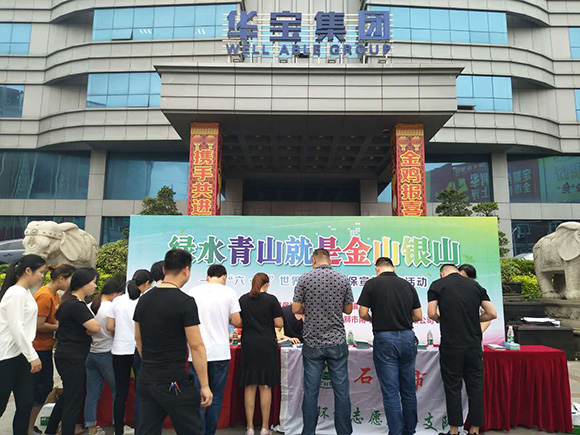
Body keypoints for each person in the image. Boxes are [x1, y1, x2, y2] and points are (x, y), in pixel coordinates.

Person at [134, 248, 213, 434]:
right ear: (186, 270)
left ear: (164, 270)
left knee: (147, 430)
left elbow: (138, 337)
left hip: (147, 377)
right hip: (174, 380)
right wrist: (204, 385)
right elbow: (196, 346)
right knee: (190, 430)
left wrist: (151, 361)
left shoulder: (144, 300)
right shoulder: (185, 301)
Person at [427, 264, 498, 435]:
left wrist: (443, 319)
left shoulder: (437, 285)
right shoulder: (476, 286)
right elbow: (492, 313)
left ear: (442, 274)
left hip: (451, 345)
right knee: (475, 387)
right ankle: (474, 430)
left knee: (453, 388)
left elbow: (431, 313)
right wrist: (473, 319)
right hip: (473, 345)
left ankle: (454, 430)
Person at [357, 257, 422, 435]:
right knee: (408, 391)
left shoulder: (372, 284)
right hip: (408, 337)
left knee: (391, 391)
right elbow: (418, 315)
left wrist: (374, 319)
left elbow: (362, 313)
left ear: (377, 269)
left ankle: (395, 432)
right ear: (393, 268)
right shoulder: (407, 285)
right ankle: (410, 430)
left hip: (385, 338)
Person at [292, 248, 354, 435]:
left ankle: (308, 432)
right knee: (341, 391)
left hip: (313, 341)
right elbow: (348, 309)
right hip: (336, 341)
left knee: (311, 392)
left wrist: (310, 306)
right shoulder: (342, 279)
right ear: (330, 260)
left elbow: (295, 308)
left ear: (314, 260)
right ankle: (344, 432)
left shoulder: (305, 278)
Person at [186, 264, 242, 435]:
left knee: (197, 397)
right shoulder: (229, 292)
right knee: (216, 396)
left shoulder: (193, 292)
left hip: (196, 352)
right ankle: (209, 432)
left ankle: (199, 432)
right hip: (219, 352)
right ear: (224, 277)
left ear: (207, 277)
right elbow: (237, 321)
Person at [45, 268, 101, 435]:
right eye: (93, 282)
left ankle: (50, 429)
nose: (95, 286)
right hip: (73, 356)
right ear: (83, 284)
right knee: (74, 399)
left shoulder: (70, 302)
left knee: (69, 394)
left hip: (67, 354)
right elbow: (95, 327)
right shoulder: (76, 305)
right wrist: (90, 330)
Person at [0, 255, 46, 435]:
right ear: (28, 271)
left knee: (26, 404)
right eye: (40, 272)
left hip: (21, 355)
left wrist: (28, 354)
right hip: (7, 356)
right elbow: (16, 327)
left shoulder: (24, 292)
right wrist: (32, 356)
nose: (42, 276)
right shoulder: (16, 293)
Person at [29, 263, 76, 434]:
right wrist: (62, 327)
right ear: (62, 278)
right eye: (70, 280)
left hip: (46, 346)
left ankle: (30, 425)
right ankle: (27, 426)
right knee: (39, 389)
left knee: (45, 387)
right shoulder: (45, 296)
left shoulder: (54, 295)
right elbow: (38, 325)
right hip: (38, 348)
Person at [107, 269, 154, 435]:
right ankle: (140, 429)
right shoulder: (145, 301)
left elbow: (109, 326)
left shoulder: (117, 301)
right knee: (142, 392)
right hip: (138, 350)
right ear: (146, 283)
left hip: (119, 351)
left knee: (120, 393)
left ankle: (118, 430)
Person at [238, 273, 283, 435]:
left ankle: (249, 427)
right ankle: (264, 427)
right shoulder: (271, 300)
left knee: (249, 385)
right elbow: (279, 322)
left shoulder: (243, 299)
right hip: (266, 344)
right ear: (267, 284)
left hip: (249, 344)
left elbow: (238, 321)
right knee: (265, 386)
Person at [84, 277, 125, 435]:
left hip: (91, 352)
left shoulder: (90, 306)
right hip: (107, 353)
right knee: (117, 391)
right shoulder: (111, 307)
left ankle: (91, 427)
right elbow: (113, 329)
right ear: (115, 293)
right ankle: (117, 423)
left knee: (92, 393)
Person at [458, 264, 491, 334]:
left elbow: (490, 314)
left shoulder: (478, 291)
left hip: (473, 336)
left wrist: (477, 331)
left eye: (466, 278)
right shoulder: (451, 291)